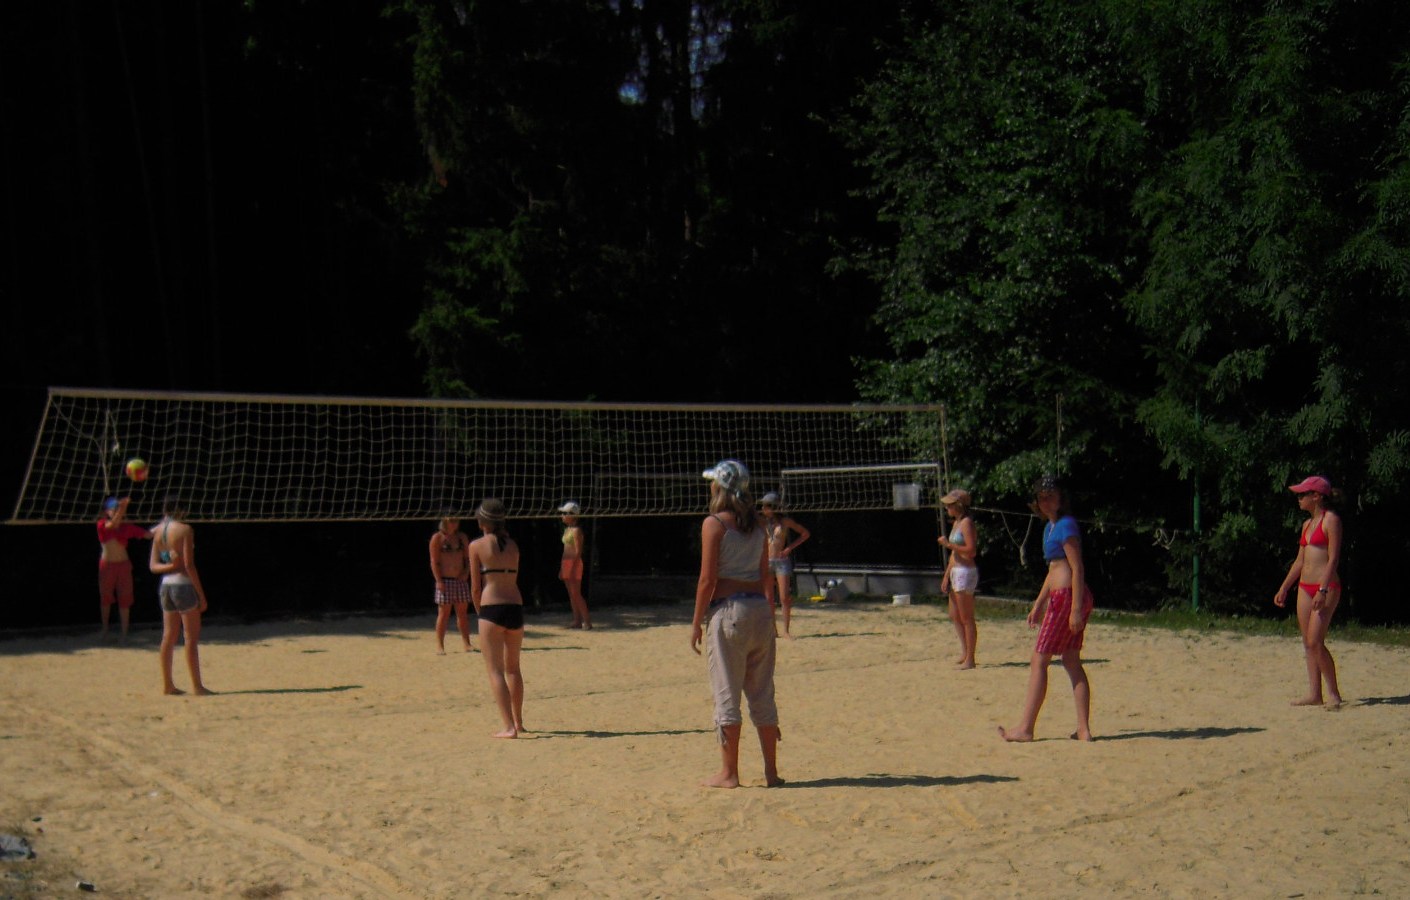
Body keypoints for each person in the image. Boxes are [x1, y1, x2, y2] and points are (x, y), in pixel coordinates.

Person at [691, 460, 782, 788]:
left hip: (729, 612)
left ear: (719, 487)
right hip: (759, 609)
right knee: (762, 692)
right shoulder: (758, 524)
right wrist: (771, 617)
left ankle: (729, 773)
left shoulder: (714, 523)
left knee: (727, 692)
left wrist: (696, 622)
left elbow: (707, 579)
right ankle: (771, 772)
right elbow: (765, 575)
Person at [999, 475, 1093, 742]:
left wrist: (1075, 608)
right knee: (1071, 660)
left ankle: (1026, 728)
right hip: (1062, 595)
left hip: (1067, 597)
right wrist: (1039, 603)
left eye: (1050, 496)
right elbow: (1052, 571)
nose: (1045, 501)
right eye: (1041, 497)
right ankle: (1083, 729)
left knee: (1039, 660)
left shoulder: (1065, 525)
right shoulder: (1050, 528)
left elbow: (1077, 568)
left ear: (1061, 498)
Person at [1273, 475, 1344, 708]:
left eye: (1303, 494)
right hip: (1304, 587)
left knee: (1315, 641)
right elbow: (1300, 561)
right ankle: (1315, 694)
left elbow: (1333, 559)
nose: (1299, 498)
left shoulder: (1331, 520)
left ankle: (1333, 693)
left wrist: (1322, 590)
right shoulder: (1307, 524)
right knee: (1307, 642)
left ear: (1317, 496)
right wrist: (1284, 587)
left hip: (1326, 587)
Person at [469, 498, 525, 738]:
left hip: (492, 606)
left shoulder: (476, 545)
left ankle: (508, 726)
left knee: (495, 671)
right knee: (513, 669)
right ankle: (519, 722)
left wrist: (480, 612)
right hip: (515, 606)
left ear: (482, 522)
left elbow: (475, 587)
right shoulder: (513, 545)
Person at [149, 495, 210, 696]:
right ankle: (197, 686)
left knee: (168, 636)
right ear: (181, 510)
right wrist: (201, 595)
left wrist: (171, 566)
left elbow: (153, 566)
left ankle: (168, 685)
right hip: (183, 586)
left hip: (166, 586)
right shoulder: (185, 529)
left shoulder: (157, 531)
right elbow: (189, 565)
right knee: (190, 638)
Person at [96, 495, 151, 640]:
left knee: (125, 599)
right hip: (107, 566)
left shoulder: (127, 527)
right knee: (106, 598)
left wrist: (166, 525)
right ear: (106, 512)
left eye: (117, 509)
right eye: (112, 509)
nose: (115, 511)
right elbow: (113, 524)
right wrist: (123, 506)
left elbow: (148, 535)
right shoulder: (102, 524)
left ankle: (124, 633)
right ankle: (105, 629)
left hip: (123, 566)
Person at [937, 488, 979, 669]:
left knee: (966, 617)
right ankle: (965, 651)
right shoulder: (957, 523)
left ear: (959, 505)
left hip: (965, 571)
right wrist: (947, 575)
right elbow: (954, 554)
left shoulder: (967, 523)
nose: (947, 508)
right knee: (954, 614)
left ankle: (971, 658)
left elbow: (971, 551)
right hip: (956, 570)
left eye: (950, 505)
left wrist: (949, 544)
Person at [760, 492, 810, 637]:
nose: (763, 508)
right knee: (768, 598)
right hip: (766, 561)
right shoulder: (761, 522)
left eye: (766, 506)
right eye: (763, 506)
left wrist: (789, 548)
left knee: (784, 597)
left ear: (773, 507)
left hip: (781, 561)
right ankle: (773, 630)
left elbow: (805, 534)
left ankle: (786, 631)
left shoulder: (785, 522)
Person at [429, 511, 474, 654]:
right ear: (445, 521)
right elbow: (434, 561)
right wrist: (438, 580)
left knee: (462, 614)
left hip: (460, 580)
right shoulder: (437, 538)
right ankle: (440, 645)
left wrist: (466, 573)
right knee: (443, 614)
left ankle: (467, 643)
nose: (455, 523)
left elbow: (468, 559)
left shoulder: (462, 537)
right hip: (445, 581)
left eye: (456, 520)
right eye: (452, 520)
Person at [557, 501, 591, 630]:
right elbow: (565, 549)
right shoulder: (567, 530)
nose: (562, 516)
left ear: (572, 515)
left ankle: (587, 622)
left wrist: (573, 567)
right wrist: (562, 568)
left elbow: (578, 551)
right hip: (566, 563)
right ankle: (577, 621)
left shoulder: (577, 531)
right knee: (571, 594)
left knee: (576, 593)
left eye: (565, 513)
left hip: (574, 563)